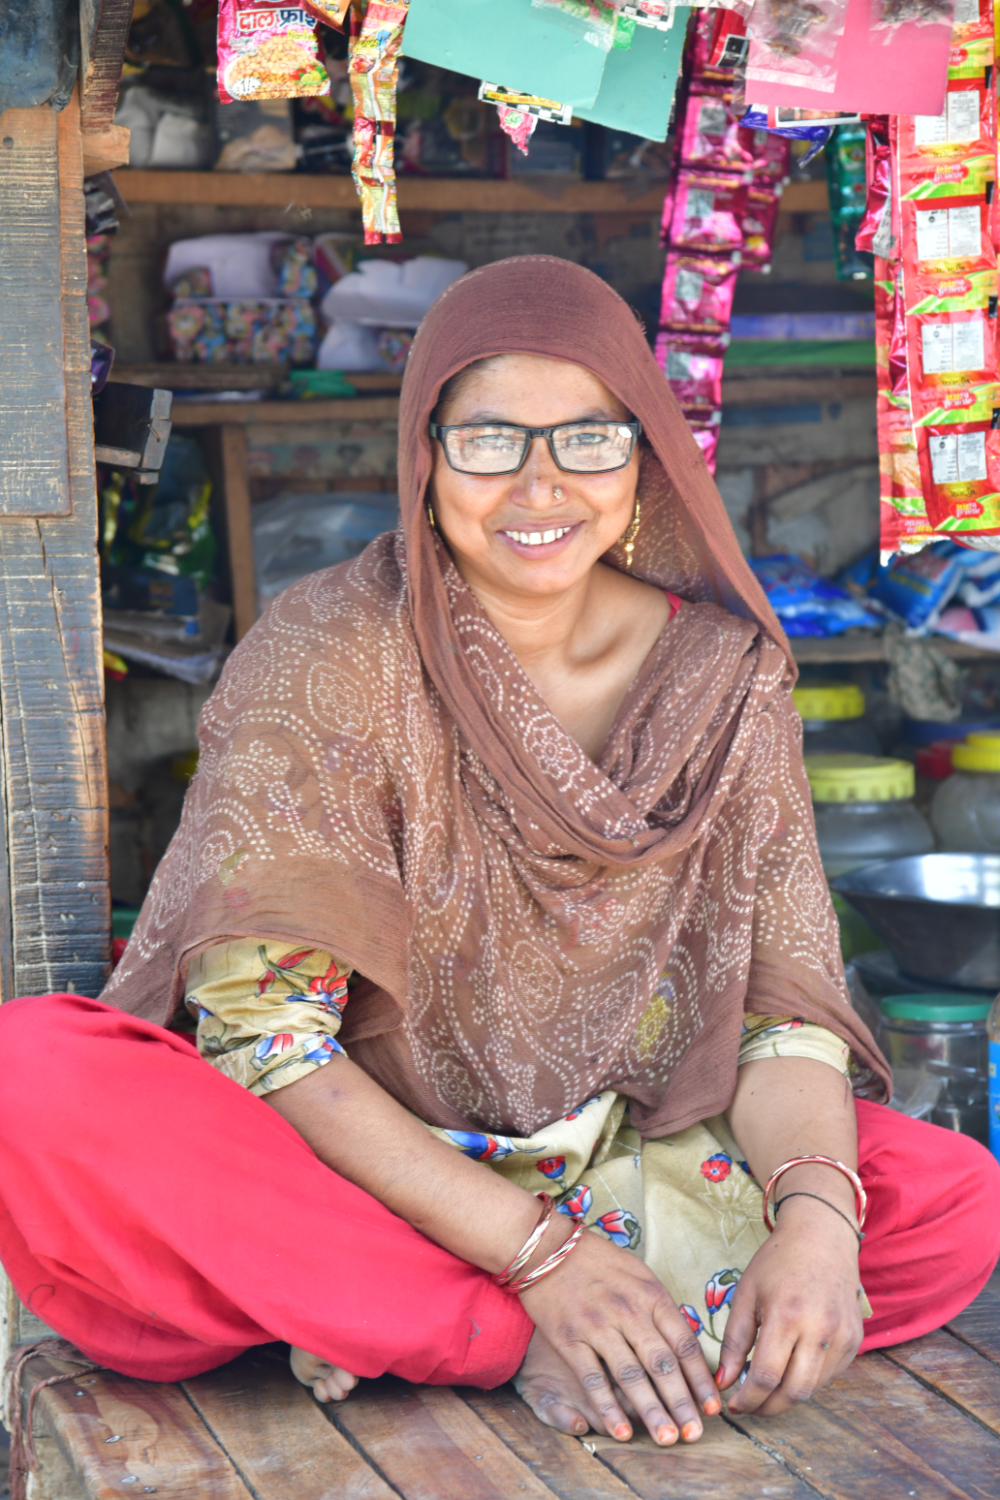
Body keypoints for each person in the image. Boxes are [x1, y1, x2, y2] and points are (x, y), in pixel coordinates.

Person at [0, 258, 996, 1451]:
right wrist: (542, 1266)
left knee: (944, 1201)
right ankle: (516, 1334)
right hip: (361, 1160)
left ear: (644, 461)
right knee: (35, 1080)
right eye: (488, 441)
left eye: (587, 438)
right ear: (426, 462)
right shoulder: (332, 649)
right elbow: (268, 1043)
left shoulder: (727, 679)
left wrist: (821, 1232)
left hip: (634, 1146)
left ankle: (392, 1323)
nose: (540, 484)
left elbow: (783, 1024)